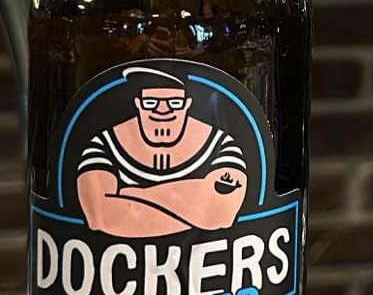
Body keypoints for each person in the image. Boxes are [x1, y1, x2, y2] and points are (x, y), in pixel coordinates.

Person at [76, 64, 248, 235]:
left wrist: (134, 194)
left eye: (174, 103)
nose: (162, 110)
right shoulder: (104, 145)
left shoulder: (221, 144)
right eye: (151, 103)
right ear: (138, 104)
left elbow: (221, 212)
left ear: (187, 104)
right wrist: (197, 207)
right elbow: (99, 217)